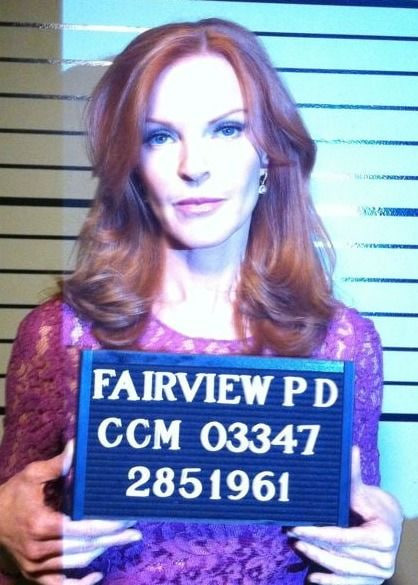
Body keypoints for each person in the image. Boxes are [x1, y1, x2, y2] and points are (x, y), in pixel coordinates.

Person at [0, 18, 402, 585]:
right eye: (159, 136)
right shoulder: (59, 335)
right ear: (132, 167)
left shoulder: (344, 344)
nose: (193, 166)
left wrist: (373, 552)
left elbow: (351, 538)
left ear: (270, 156)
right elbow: (19, 546)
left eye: (227, 129)